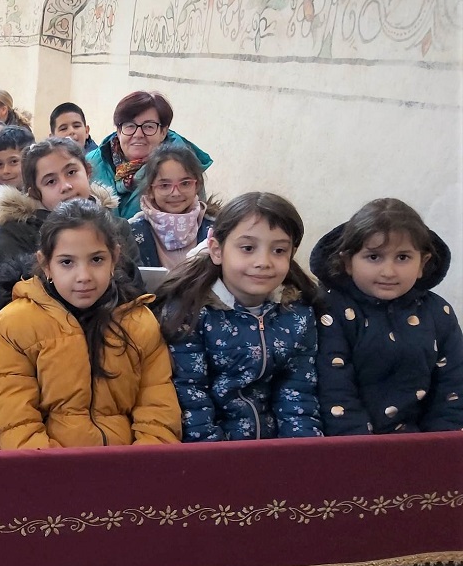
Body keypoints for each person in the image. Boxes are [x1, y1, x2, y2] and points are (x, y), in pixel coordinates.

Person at [0, 199, 181, 449]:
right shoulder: (13, 326)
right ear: (46, 264)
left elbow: (158, 414)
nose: (84, 276)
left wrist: (139, 464)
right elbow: (18, 425)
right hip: (49, 466)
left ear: (114, 258)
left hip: (130, 463)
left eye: (97, 259)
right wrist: (63, 470)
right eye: (67, 262)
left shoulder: (140, 322)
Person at [153, 192, 323, 442]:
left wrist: (301, 452)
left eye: (278, 250)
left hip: (275, 449)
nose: (263, 262)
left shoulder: (297, 313)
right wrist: (219, 457)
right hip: (214, 450)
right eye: (247, 248)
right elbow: (191, 397)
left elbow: (298, 392)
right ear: (217, 250)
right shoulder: (189, 312)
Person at [309, 198, 463, 434]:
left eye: (403, 257)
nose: (388, 272)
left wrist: (438, 445)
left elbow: (453, 388)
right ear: (348, 261)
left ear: (423, 263)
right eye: (374, 257)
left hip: (422, 445)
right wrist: (363, 449)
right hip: (349, 444)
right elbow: (334, 389)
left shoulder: (439, 313)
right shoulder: (330, 311)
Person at [0, 137, 139, 291]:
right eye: (51, 181)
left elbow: (134, 286)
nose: (65, 186)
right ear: (35, 193)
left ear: (88, 172)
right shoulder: (18, 232)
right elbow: (11, 293)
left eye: (71, 172)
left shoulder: (117, 226)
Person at [88, 91, 213, 219]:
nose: (138, 134)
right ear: (119, 131)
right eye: (130, 126)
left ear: (163, 132)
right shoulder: (90, 163)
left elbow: (196, 219)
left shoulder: (186, 167)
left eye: (148, 126)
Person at [128, 143, 218, 268]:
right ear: (150, 190)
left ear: (197, 185)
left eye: (185, 183)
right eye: (164, 185)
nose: (176, 193)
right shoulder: (131, 232)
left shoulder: (216, 229)